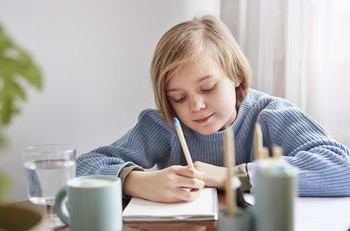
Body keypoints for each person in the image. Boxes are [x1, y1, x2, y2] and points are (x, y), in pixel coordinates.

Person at [76, 15, 350, 202]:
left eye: (207, 88)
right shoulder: (163, 125)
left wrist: (229, 176)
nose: (195, 106)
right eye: (178, 98)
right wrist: (137, 181)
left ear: (235, 75)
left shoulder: (270, 115)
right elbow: (81, 168)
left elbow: (342, 168)